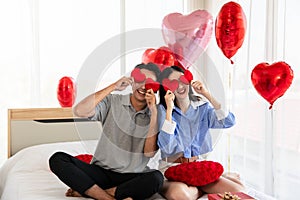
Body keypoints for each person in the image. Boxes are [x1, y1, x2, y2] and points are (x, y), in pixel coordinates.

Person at [49, 63, 164, 200]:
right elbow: (79, 111)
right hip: (100, 172)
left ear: (156, 88)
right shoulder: (113, 101)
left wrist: (154, 113)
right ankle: (107, 197)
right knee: (57, 159)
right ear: (132, 81)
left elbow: (149, 153)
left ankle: (91, 191)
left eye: (150, 83)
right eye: (140, 79)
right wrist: (113, 86)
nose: (143, 86)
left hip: (131, 177)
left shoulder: (157, 113)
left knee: (156, 178)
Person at [157, 66, 245, 200]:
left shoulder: (202, 107)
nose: (180, 85)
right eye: (173, 83)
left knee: (238, 190)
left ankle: (200, 186)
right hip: (172, 170)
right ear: (167, 88)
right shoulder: (163, 111)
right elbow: (167, 147)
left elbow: (229, 121)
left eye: (182, 79)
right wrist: (169, 110)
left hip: (198, 169)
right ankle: (201, 188)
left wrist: (207, 95)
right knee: (179, 195)